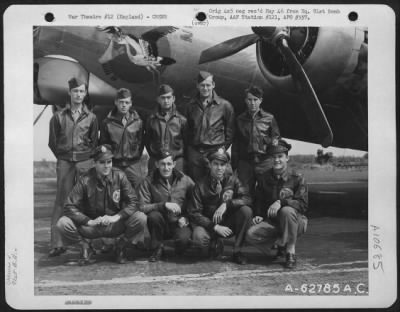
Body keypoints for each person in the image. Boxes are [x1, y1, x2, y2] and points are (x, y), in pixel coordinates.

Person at [56, 145, 148, 265]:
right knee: (63, 223)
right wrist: (89, 221)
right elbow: (69, 206)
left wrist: (116, 217)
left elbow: (134, 202)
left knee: (141, 218)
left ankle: (120, 246)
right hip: (92, 225)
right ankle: (85, 246)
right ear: (94, 163)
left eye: (109, 162)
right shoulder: (85, 180)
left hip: (114, 224)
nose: (106, 166)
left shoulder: (119, 176)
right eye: (102, 162)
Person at [48, 77, 98, 257]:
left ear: (85, 94)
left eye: (82, 91)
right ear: (69, 93)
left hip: (85, 163)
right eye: (75, 91)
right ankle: (57, 243)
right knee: (62, 200)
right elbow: (53, 142)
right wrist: (64, 157)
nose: (78, 94)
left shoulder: (91, 117)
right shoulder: (58, 117)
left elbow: (94, 142)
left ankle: (89, 242)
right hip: (65, 162)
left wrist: (85, 159)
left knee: (87, 201)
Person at [246, 139, 308, 269]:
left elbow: (303, 205)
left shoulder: (297, 177)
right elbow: (259, 200)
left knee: (286, 211)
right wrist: (258, 215)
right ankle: (280, 246)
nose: (276, 160)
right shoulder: (264, 178)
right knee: (251, 234)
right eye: (273, 157)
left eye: (280, 156)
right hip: (274, 222)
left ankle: (290, 251)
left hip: (296, 222)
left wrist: (282, 202)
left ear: (287, 158)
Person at [188, 148, 252, 265]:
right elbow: (194, 213)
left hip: (227, 223)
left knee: (246, 211)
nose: (219, 168)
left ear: (226, 166)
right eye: (215, 164)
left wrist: (227, 204)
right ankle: (214, 242)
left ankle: (237, 251)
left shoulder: (233, 181)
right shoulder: (200, 185)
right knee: (199, 237)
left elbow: (247, 198)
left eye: (222, 165)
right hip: (209, 225)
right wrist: (214, 227)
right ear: (210, 165)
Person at [138, 150, 195, 262]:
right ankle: (157, 248)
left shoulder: (185, 180)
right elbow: (142, 206)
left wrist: (187, 217)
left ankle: (180, 247)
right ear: (156, 164)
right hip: (160, 223)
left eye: (169, 164)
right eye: (162, 164)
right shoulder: (149, 181)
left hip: (178, 222)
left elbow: (195, 201)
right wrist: (163, 205)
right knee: (154, 216)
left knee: (183, 241)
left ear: (174, 164)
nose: (166, 168)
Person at [184, 71, 235, 181]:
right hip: (195, 154)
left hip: (215, 151)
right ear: (197, 86)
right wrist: (191, 151)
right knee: (195, 185)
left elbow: (230, 132)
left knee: (218, 183)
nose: (205, 88)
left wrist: (222, 149)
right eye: (202, 85)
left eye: (208, 85)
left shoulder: (225, 106)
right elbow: (186, 131)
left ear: (213, 85)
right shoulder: (190, 106)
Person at [232, 86, 280, 195]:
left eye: (255, 100)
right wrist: (234, 166)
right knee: (243, 194)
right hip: (245, 163)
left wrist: (275, 158)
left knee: (269, 193)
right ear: (245, 100)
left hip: (265, 162)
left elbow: (276, 138)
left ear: (260, 101)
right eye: (249, 100)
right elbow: (235, 144)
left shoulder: (269, 118)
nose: (252, 103)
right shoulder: (239, 120)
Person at [100, 88, 146, 190]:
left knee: (139, 190)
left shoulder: (138, 122)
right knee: (113, 193)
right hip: (115, 164)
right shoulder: (107, 123)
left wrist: (136, 155)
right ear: (116, 102)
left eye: (127, 102)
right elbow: (104, 145)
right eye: (121, 102)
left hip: (133, 164)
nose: (124, 105)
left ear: (131, 104)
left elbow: (141, 141)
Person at [145, 84, 188, 174]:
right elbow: (147, 141)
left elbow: (187, 142)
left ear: (173, 99)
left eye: (168, 97)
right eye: (163, 98)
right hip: (156, 161)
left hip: (176, 162)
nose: (166, 101)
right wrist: (155, 155)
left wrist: (176, 155)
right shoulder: (151, 120)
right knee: (154, 187)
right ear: (158, 99)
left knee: (178, 187)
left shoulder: (182, 120)